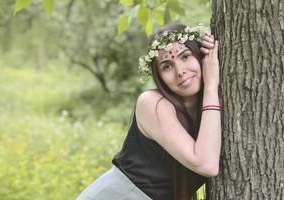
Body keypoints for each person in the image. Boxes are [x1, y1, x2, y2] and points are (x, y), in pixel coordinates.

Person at [76, 23, 221, 200]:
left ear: (200, 56)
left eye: (185, 57)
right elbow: (207, 165)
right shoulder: (152, 103)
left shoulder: (207, 113)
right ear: (159, 76)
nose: (180, 71)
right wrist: (211, 85)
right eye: (167, 66)